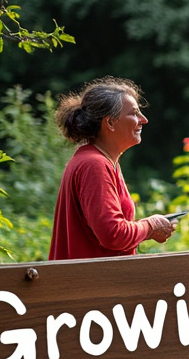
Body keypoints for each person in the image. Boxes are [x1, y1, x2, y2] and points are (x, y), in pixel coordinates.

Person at [49, 77, 177, 260]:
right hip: (91, 277)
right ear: (110, 123)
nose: (144, 120)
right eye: (134, 113)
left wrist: (147, 228)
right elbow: (113, 234)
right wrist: (150, 226)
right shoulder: (94, 164)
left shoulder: (101, 160)